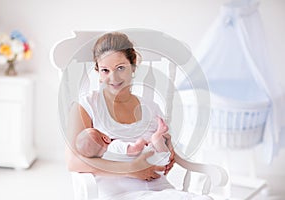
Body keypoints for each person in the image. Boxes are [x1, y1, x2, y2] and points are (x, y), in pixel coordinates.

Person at [65, 32, 211, 200]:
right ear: (98, 71)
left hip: (161, 191)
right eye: (105, 70)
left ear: (133, 67)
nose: (113, 78)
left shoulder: (151, 108)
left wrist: (168, 148)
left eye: (120, 68)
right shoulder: (86, 106)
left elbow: (163, 153)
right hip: (120, 194)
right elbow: (73, 162)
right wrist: (130, 169)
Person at [75, 117, 171, 166]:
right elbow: (135, 150)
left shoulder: (105, 158)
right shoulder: (114, 146)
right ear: (105, 138)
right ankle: (160, 131)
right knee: (155, 138)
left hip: (148, 162)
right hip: (155, 159)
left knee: (151, 142)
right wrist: (140, 141)